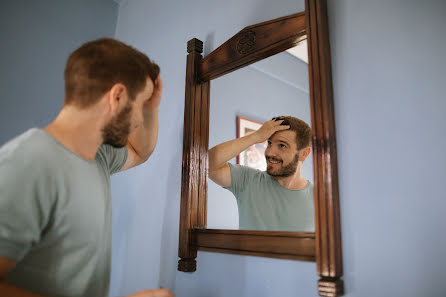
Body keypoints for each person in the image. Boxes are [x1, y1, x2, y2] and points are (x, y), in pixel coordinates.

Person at [0, 39, 173, 297]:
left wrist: (151, 107)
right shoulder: (27, 162)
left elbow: (140, 152)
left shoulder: (98, 157)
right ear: (117, 97)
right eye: (138, 106)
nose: (138, 120)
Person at [208, 116, 315, 232]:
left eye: (282, 145)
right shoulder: (247, 180)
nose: (270, 152)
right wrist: (256, 136)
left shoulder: (320, 198)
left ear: (304, 154)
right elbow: (205, 163)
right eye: (269, 143)